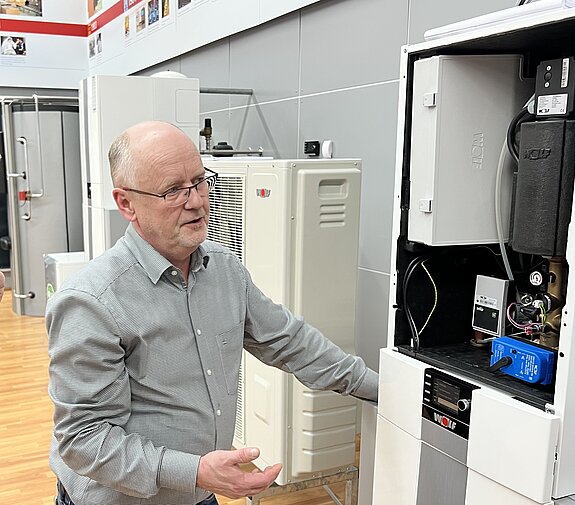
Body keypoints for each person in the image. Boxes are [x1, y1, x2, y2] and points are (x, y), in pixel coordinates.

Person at [46, 121, 379, 505]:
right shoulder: (91, 301)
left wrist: (385, 391)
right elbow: (84, 439)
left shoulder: (224, 270)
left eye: (200, 181)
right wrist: (196, 471)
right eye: (173, 190)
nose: (196, 202)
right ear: (126, 204)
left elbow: (291, 341)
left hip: (198, 492)